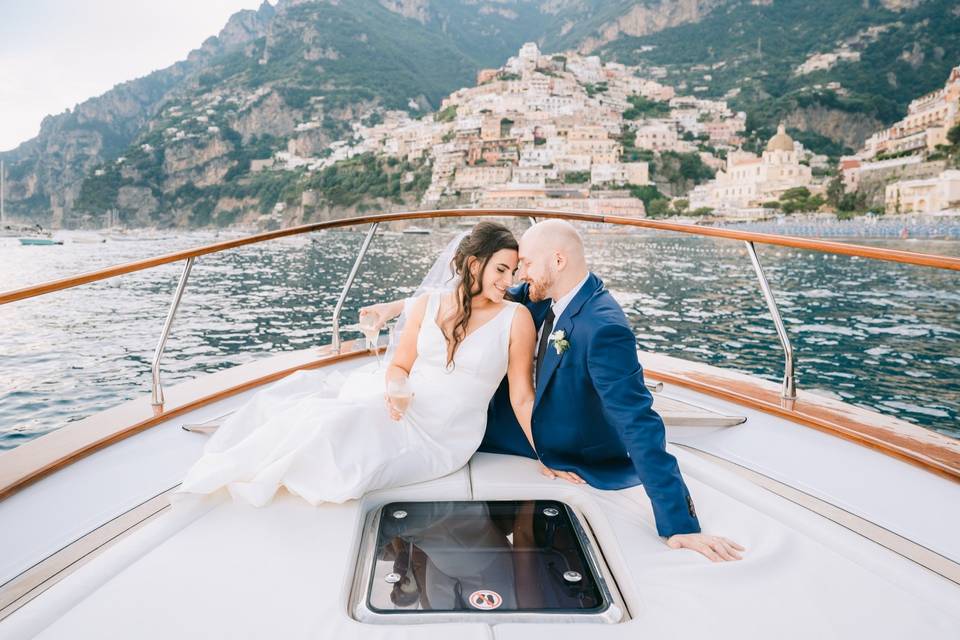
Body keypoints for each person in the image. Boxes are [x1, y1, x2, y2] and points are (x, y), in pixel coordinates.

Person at [362, 220, 744, 562]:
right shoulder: (545, 293)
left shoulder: (603, 326)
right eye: (513, 268)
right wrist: (395, 307)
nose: (518, 277)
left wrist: (679, 523)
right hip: (494, 417)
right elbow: (469, 296)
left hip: (557, 438)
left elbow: (638, 420)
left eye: (525, 264)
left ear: (557, 261)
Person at [176, 221, 539, 507]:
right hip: (405, 408)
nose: (509, 282)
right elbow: (399, 366)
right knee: (325, 422)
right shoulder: (429, 305)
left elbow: (521, 396)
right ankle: (245, 456)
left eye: (513, 273)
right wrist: (397, 390)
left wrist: (547, 455)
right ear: (475, 265)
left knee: (343, 460)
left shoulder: (515, 318)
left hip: (447, 438)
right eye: (502, 270)